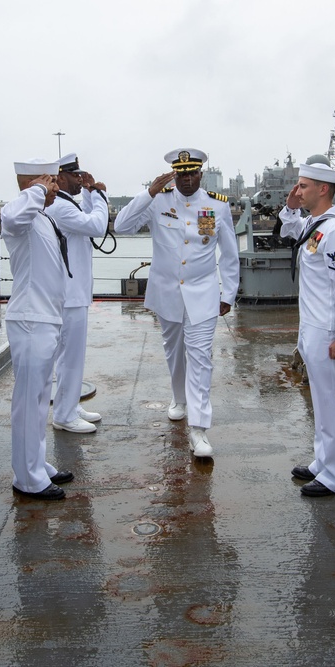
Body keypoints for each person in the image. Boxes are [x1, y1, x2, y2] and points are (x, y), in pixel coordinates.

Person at [113, 148, 239, 458]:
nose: (186, 179)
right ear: (174, 175)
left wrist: (228, 294)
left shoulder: (216, 207)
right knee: (174, 352)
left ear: (201, 174)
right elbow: (121, 226)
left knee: (200, 358)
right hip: (167, 292)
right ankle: (179, 398)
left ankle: (199, 430)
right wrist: (149, 192)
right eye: (180, 174)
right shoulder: (158, 201)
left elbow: (230, 254)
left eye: (191, 173)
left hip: (203, 294)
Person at [278, 163, 335, 497]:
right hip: (312, 327)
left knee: (333, 404)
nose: (298, 191)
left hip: (328, 331)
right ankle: (323, 462)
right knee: (321, 400)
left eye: (303, 186)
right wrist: (290, 206)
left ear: (323, 189)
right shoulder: (317, 225)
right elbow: (290, 230)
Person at [2, 159, 76, 500]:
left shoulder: (42, 218)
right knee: (28, 402)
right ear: (29, 184)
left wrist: (42, 191)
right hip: (31, 320)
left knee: (38, 401)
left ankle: (37, 464)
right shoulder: (20, 215)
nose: (55, 188)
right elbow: (13, 216)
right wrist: (35, 189)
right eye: (50, 182)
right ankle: (28, 479)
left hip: (47, 318)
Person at [47, 153, 109, 433]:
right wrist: (98, 195)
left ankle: (69, 404)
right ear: (60, 177)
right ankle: (64, 414)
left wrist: (87, 192)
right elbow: (96, 225)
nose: (80, 179)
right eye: (75, 175)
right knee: (70, 357)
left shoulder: (64, 203)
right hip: (69, 295)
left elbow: (84, 217)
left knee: (69, 357)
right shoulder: (60, 208)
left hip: (73, 291)